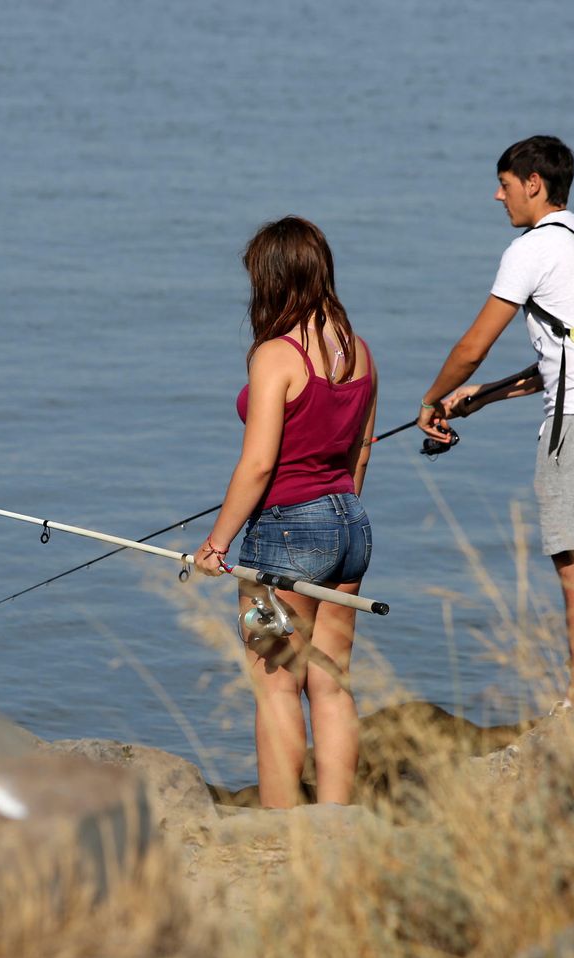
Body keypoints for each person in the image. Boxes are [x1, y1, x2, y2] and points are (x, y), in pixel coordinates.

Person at [416, 135, 574, 707]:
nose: (498, 196)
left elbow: (473, 346)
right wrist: (485, 397)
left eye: (505, 184)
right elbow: (564, 356)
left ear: (533, 184)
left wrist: (431, 398)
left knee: (573, 561)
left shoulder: (532, 248)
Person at [194, 216, 379, 808]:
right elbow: (360, 452)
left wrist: (216, 545)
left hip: (286, 534)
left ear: (273, 279)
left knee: (275, 685)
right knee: (331, 683)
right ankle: (336, 820)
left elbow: (257, 466)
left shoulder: (277, 355)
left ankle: (280, 831)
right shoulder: (359, 353)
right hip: (350, 527)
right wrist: (335, 510)